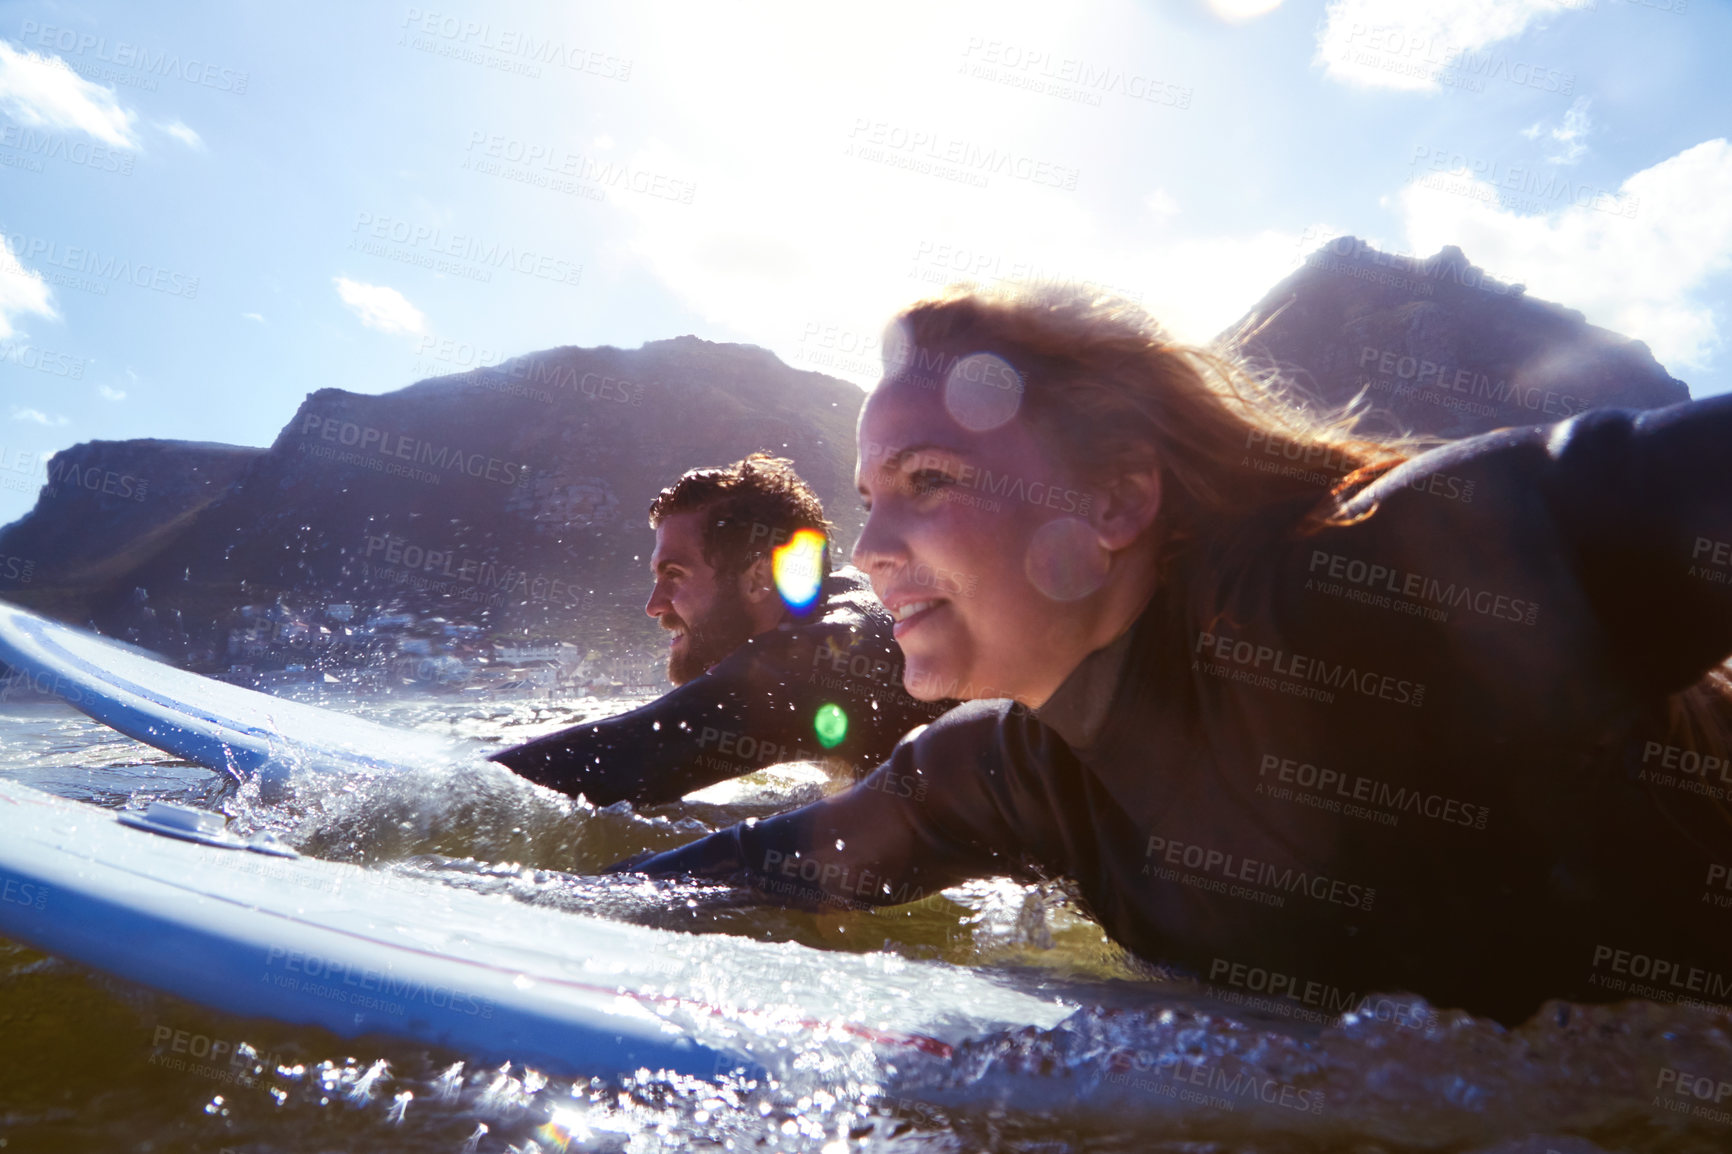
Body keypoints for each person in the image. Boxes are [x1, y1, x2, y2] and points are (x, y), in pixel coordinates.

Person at [609, 288, 1732, 1025]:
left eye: (930, 481)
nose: (870, 550)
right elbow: (700, 881)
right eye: (869, 498)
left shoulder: (1388, 584)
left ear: (1115, 497)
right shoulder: (1012, 773)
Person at [490, 453, 950, 806]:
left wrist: (444, 803)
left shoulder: (814, 659)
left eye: (675, 575)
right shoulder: (847, 611)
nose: (654, 607)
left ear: (756, 580)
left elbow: (616, 759)